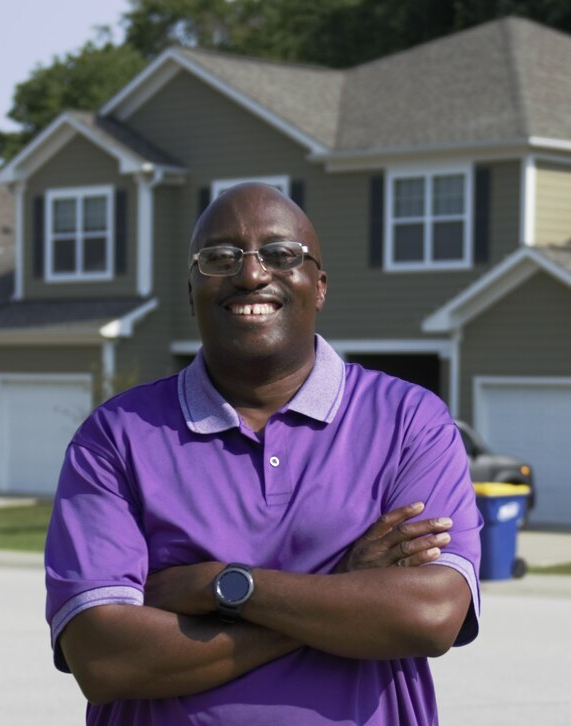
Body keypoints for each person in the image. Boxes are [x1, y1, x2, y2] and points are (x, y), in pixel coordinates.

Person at [44, 182, 481, 725]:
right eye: (220, 257)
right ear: (191, 290)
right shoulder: (116, 437)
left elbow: (427, 615)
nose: (250, 275)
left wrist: (214, 584)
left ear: (318, 286)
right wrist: (341, 590)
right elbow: (103, 657)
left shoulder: (410, 421)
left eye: (280, 255)